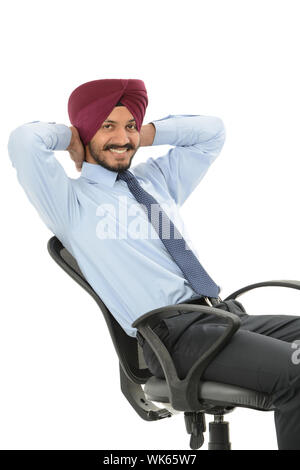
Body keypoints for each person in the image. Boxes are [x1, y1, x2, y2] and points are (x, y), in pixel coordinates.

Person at [7, 78, 300, 450]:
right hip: (176, 338)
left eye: (128, 125)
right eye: (106, 125)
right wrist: (72, 137)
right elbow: (23, 140)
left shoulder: (157, 181)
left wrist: (142, 135)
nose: (122, 137)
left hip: (222, 317)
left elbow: (212, 132)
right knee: (295, 373)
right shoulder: (71, 203)